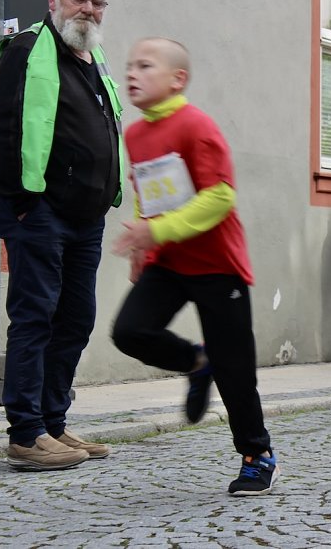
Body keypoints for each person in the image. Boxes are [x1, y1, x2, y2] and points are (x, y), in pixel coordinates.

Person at [110, 37, 278, 496]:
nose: (132, 73)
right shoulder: (136, 133)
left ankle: (257, 456)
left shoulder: (197, 126)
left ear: (176, 79)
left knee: (236, 368)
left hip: (217, 264)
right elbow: (151, 191)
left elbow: (220, 198)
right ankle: (194, 361)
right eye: (130, 65)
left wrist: (155, 233)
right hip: (168, 260)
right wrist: (145, 245)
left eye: (145, 66)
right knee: (129, 331)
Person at [0, 0, 124, 470]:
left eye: (97, 1)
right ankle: (25, 433)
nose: (87, 9)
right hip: (40, 213)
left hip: (85, 219)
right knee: (36, 318)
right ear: (53, 0)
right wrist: (22, 201)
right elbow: (4, 126)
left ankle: (53, 423)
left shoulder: (93, 61)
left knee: (75, 320)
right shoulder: (27, 50)